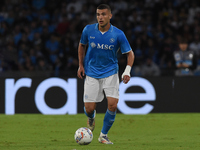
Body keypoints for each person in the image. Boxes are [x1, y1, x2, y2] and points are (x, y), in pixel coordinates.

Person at [77, 4, 134, 144]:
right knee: (89, 108)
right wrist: (80, 65)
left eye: (103, 14)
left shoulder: (118, 34)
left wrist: (127, 71)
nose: (100, 17)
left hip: (110, 72)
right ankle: (91, 117)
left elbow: (130, 54)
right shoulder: (88, 30)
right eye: (98, 14)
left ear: (110, 16)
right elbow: (81, 45)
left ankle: (103, 135)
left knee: (113, 105)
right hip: (91, 72)